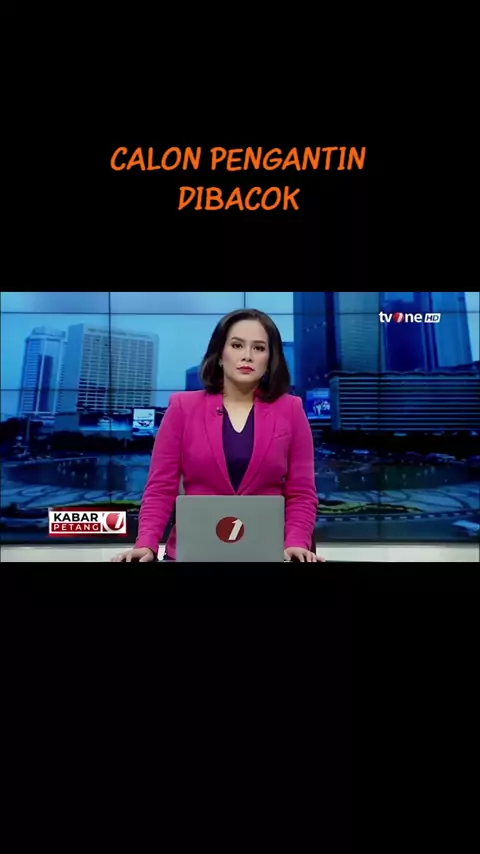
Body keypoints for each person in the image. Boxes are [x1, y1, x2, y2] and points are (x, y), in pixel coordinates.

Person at [111, 308, 324, 563]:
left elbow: (301, 493)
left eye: (258, 348)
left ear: (270, 360)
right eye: (237, 345)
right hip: (192, 555)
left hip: (268, 555)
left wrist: (296, 544)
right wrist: (146, 544)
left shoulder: (291, 409)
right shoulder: (182, 407)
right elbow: (160, 488)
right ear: (220, 355)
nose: (247, 356)